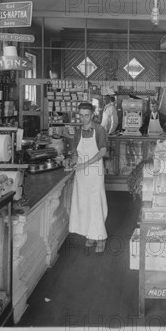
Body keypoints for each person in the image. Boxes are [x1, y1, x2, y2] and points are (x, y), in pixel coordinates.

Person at [69, 102, 109, 253]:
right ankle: (90, 234)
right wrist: (72, 160)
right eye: (81, 115)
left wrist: (84, 164)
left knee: (96, 202)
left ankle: (101, 237)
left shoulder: (99, 130)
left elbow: (102, 152)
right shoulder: (78, 132)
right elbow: (75, 152)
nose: (83, 118)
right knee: (84, 203)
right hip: (81, 173)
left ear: (92, 115)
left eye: (86, 115)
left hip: (94, 171)